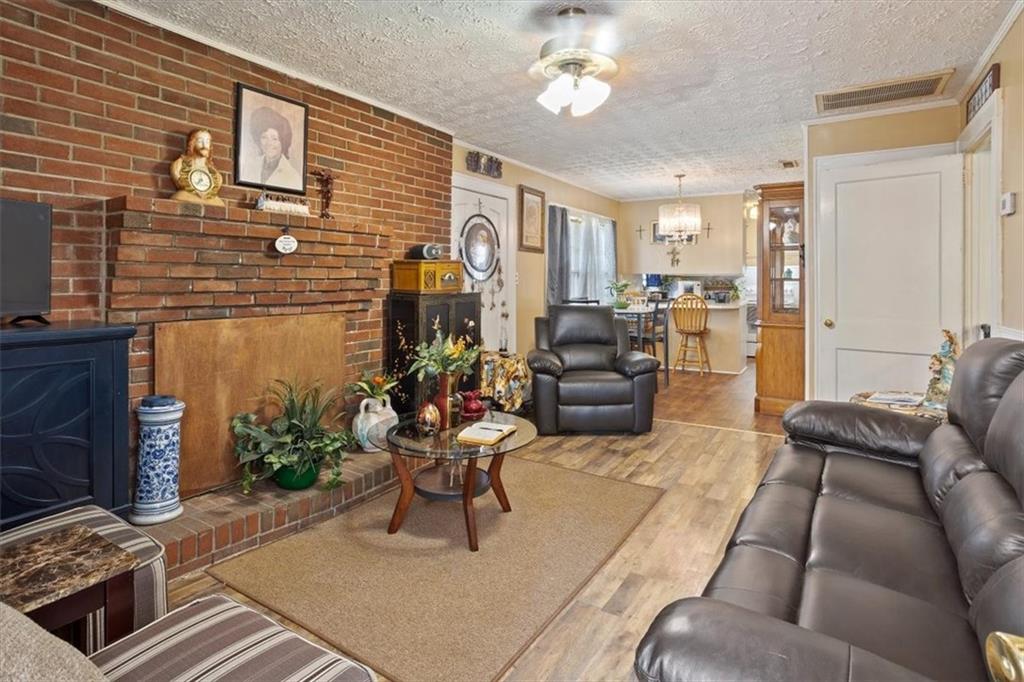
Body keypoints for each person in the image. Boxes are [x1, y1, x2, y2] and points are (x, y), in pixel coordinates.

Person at [242, 106, 303, 191]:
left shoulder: (293, 177)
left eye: (274, 139)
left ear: (283, 142)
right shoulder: (250, 166)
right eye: (264, 137)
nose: (269, 143)